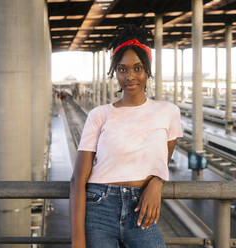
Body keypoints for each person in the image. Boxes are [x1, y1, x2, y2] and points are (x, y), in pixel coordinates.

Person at [69, 25, 183, 248]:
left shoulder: (168, 112)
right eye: (122, 69)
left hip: (141, 210)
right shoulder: (99, 114)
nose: (130, 76)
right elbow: (77, 180)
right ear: (115, 72)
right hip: (99, 207)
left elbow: (163, 159)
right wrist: (78, 241)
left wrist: (157, 182)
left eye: (137, 68)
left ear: (147, 70)